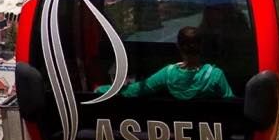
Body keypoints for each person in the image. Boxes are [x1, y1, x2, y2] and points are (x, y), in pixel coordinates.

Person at [98, 27, 235, 100]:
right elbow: (231, 104)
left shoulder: (168, 74)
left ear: (178, 46)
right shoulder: (216, 76)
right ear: (202, 46)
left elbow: (135, 91)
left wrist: (101, 90)